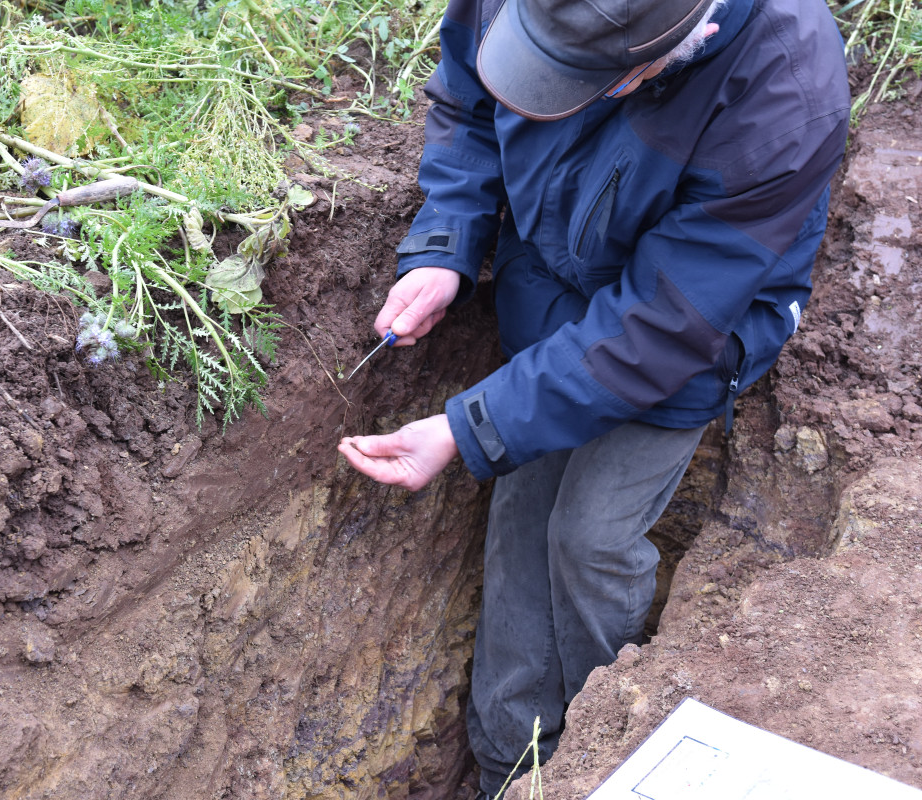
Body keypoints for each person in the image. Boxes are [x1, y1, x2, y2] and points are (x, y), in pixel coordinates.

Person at [336, 0, 849, 795]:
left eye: (579, 82)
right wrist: (447, 240)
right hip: (548, 285)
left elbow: (663, 323)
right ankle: (510, 771)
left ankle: (592, 761)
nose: (547, 94)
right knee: (522, 520)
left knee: (589, 540)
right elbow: (469, 94)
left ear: (684, 45)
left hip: (690, 333)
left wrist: (468, 429)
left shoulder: (783, 88)